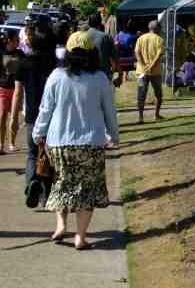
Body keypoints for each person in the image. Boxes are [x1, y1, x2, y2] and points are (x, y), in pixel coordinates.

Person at [32, 32, 118, 249]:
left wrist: (38, 133)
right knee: (87, 189)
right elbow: (109, 111)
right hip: (91, 143)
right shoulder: (100, 78)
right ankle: (80, 236)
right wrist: (113, 136)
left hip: (59, 142)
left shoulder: (56, 76)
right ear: (93, 53)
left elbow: (45, 109)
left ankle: (61, 225)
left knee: (61, 184)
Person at [13, 24, 57, 207]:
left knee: (32, 154)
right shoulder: (54, 64)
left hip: (32, 115)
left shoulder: (23, 63)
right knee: (49, 155)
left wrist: (14, 118)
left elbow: (17, 93)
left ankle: (32, 182)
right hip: (52, 117)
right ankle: (46, 195)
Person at [135, 20, 164, 123]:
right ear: (158, 29)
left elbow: (137, 53)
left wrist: (143, 65)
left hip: (141, 71)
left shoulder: (140, 38)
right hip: (155, 72)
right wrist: (151, 66)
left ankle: (140, 117)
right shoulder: (159, 39)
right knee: (158, 94)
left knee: (141, 94)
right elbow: (159, 55)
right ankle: (156, 115)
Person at [0, 30, 25, 153]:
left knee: (14, 117)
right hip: (3, 88)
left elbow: (26, 68)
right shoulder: (1, 52)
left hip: (17, 89)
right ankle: (1, 145)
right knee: (2, 116)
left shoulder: (20, 53)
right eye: (16, 39)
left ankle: (12, 143)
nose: (18, 41)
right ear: (9, 40)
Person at [85, 14, 122, 87]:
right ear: (100, 23)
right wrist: (120, 74)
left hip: (86, 75)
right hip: (104, 75)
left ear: (89, 23)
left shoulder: (83, 36)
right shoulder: (106, 37)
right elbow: (115, 58)